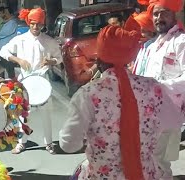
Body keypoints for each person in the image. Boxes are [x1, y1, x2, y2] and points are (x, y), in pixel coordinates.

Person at [59, 25, 184, 180]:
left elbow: (69, 144)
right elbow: (174, 122)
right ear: (129, 58)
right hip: (146, 174)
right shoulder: (153, 87)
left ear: (99, 59)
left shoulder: (87, 94)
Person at [0, 8, 62, 154]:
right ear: (28, 22)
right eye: (33, 23)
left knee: (46, 114)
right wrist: (18, 59)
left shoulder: (48, 41)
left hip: (42, 82)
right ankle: (21, 143)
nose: (35, 27)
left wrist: (50, 61)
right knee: (23, 114)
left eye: (38, 24)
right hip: (25, 82)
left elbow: (59, 58)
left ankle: (49, 143)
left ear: (42, 24)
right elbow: (4, 51)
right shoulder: (20, 39)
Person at [137, 0, 185, 178]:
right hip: (149, 113)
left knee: (158, 162)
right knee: (151, 161)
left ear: (174, 14)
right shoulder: (154, 45)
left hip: (167, 112)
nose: (158, 18)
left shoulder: (181, 42)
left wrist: (160, 86)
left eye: (163, 13)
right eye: (156, 14)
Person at [0, 6, 19, 79]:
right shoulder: (6, 23)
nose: (3, 15)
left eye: (5, 13)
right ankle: (1, 83)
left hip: (8, 52)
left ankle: (13, 85)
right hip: (1, 51)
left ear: (10, 13)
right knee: (0, 69)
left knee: (9, 71)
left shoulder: (12, 23)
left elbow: (4, 33)